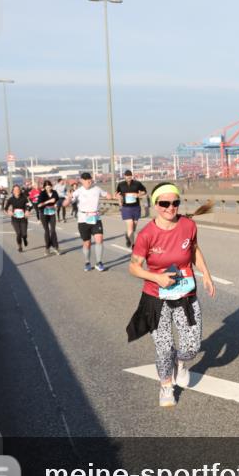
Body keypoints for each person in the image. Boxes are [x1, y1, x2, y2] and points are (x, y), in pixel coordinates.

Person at [126, 182, 216, 407]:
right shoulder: (146, 234)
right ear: (156, 205)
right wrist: (156, 278)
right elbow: (134, 267)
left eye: (175, 202)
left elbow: (194, 249)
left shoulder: (188, 225)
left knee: (191, 347)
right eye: (165, 203)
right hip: (156, 298)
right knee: (164, 348)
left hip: (186, 295)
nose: (170, 207)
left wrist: (206, 274)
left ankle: (180, 362)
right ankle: (166, 386)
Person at [64, 172, 110, 272]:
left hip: (95, 218)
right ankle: (87, 262)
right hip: (83, 219)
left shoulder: (97, 189)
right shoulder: (78, 191)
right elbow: (65, 204)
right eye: (86, 180)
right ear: (82, 181)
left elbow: (107, 195)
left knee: (99, 239)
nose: (88, 181)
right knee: (87, 243)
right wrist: (68, 198)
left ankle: (99, 262)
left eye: (89, 179)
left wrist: (113, 196)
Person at [116, 169, 148, 247]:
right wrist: (118, 198)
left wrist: (138, 195)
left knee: (133, 228)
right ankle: (133, 245)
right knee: (130, 225)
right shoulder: (121, 184)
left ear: (131, 176)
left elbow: (144, 191)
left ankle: (128, 236)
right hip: (126, 208)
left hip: (136, 207)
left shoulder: (137, 183)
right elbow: (117, 193)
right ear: (124, 176)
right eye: (127, 176)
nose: (128, 177)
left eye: (130, 176)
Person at [36, 180, 61, 256]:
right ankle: (47, 248)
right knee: (47, 231)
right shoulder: (42, 194)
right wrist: (48, 201)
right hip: (44, 214)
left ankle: (56, 247)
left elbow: (58, 200)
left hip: (52, 213)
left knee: (53, 230)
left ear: (51, 186)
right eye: (46, 187)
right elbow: (39, 205)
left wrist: (56, 204)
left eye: (49, 187)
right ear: (44, 187)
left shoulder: (54, 192)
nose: (48, 189)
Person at [3, 184, 30, 252]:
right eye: (15, 190)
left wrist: (27, 211)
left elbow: (28, 205)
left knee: (24, 234)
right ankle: (20, 246)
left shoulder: (24, 198)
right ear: (13, 191)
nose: (17, 191)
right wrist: (9, 212)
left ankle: (24, 238)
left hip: (23, 218)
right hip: (15, 218)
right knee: (18, 233)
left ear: (20, 191)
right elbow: (5, 208)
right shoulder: (11, 199)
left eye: (18, 190)